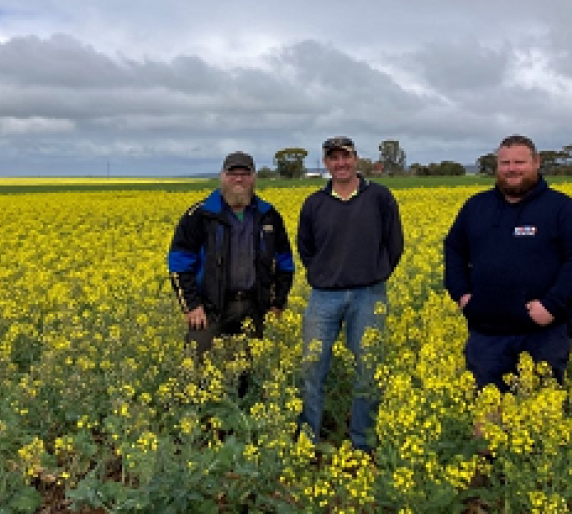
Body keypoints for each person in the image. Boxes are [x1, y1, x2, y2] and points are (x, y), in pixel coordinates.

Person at [443, 134, 572, 393]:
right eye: (505, 163)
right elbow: (454, 249)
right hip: (487, 333)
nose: (511, 169)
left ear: (536, 163)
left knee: (541, 411)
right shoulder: (476, 207)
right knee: (487, 412)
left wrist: (552, 305)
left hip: (544, 334)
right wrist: (462, 295)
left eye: (519, 162)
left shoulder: (562, 208)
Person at [297, 136, 404, 453]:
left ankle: (363, 442)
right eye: (333, 158)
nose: (340, 163)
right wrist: (321, 274)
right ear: (326, 163)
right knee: (312, 369)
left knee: (367, 369)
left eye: (346, 157)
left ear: (356, 159)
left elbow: (394, 242)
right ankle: (308, 442)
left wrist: (378, 272)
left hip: (368, 294)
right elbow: (306, 247)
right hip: (324, 296)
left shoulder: (380, 197)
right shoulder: (314, 203)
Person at [169, 152, 295, 394]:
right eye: (233, 174)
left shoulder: (268, 215)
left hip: (253, 306)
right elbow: (179, 263)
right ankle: (198, 424)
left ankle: (240, 424)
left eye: (245, 174)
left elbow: (285, 263)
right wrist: (191, 305)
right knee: (196, 370)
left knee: (246, 374)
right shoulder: (200, 215)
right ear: (222, 177)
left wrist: (278, 303)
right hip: (208, 308)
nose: (239, 179)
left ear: (254, 178)